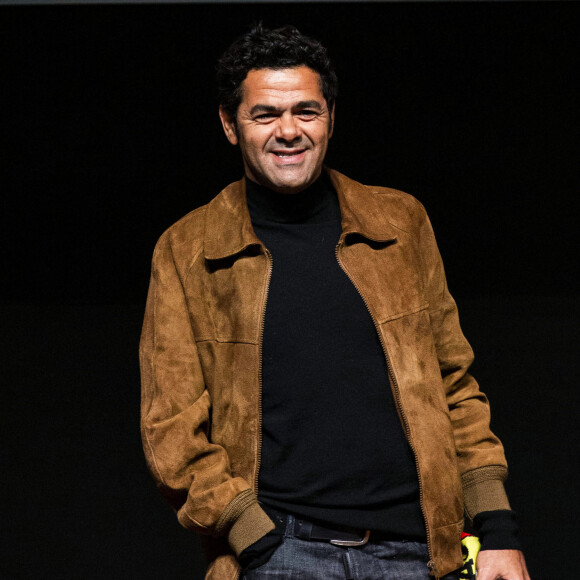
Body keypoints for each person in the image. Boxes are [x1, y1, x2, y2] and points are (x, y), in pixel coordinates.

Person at [139, 24, 530, 580]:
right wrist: (251, 537)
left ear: (330, 117)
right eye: (265, 114)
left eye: (306, 111)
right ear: (230, 125)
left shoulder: (400, 224)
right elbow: (169, 428)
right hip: (282, 554)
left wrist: (496, 530)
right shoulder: (188, 250)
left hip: (419, 553)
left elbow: (455, 385)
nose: (289, 130)